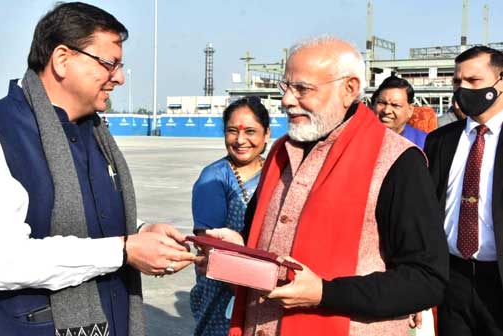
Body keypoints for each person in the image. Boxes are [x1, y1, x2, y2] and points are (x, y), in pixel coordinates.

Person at [0, 3, 195, 336]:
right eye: (109, 64)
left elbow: (88, 220)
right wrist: (124, 250)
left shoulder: (94, 133)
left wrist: (141, 231)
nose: (119, 78)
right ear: (62, 59)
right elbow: (4, 263)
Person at [204, 36, 448, 336]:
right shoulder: (281, 153)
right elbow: (263, 242)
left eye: (302, 89)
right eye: (286, 87)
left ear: (349, 89)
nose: (286, 100)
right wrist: (237, 249)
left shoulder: (399, 162)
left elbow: (426, 280)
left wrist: (324, 293)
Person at [424, 45, 503, 336]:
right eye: (458, 82)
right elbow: (427, 209)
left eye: (473, 81)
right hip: (451, 279)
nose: (463, 89)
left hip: (498, 280)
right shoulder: (440, 140)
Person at [190, 97, 271, 336]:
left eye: (250, 131)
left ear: (267, 134)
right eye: (232, 131)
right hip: (225, 290)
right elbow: (210, 248)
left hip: (266, 287)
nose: (240, 140)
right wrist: (249, 292)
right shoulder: (214, 177)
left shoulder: (276, 172)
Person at [373, 75, 427, 148]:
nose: (386, 111)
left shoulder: (425, 143)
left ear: (410, 110)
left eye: (395, 105)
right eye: (382, 103)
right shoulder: (359, 138)